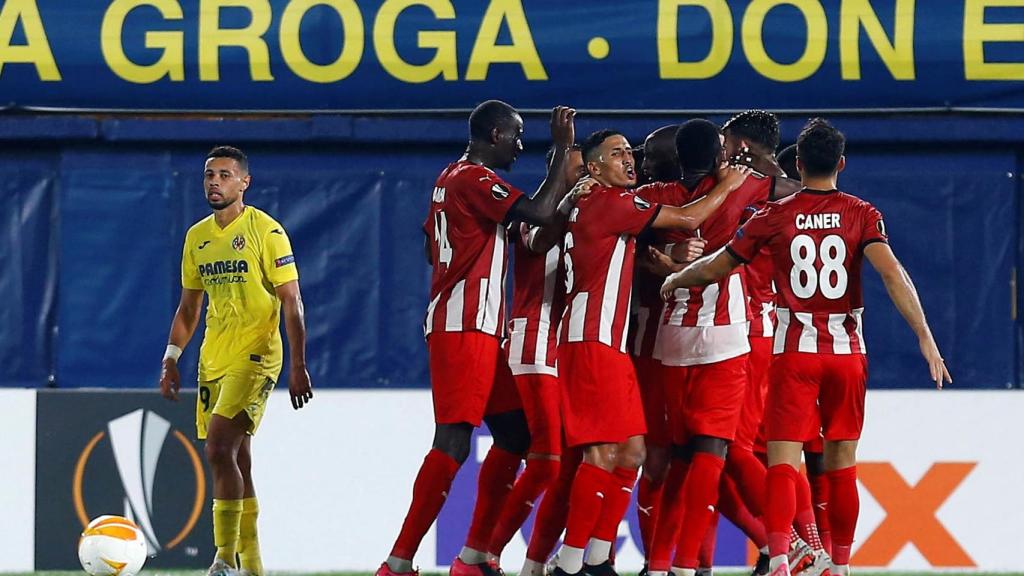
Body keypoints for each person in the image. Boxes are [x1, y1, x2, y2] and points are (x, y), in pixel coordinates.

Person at [660, 118, 951, 576]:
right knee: (841, 465)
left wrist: (677, 277)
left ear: (797, 161)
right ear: (841, 163)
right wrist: (925, 335)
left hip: (793, 352)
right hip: (846, 355)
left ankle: (779, 557)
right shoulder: (862, 212)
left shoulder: (774, 214)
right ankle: (839, 564)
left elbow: (720, 264)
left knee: (781, 460)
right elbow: (893, 274)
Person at [378, 101, 577, 576]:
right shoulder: (473, 178)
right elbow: (536, 212)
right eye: (516, 136)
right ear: (493, 134)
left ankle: (473, 556)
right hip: (463, 326)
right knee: (452, 440)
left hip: (480, 328)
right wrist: (562, 151)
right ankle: (397, 561)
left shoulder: (449, 179)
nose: (520, 145)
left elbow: (432, 245)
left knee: (515, 435)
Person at [551, 129, 751, 576]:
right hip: (590, 340)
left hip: (610, 342)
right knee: (600, 456)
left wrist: (667, 259)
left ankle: (599, 557)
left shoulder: (597, 204)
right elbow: (687, 215)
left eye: (629, 152)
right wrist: (729, 184)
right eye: (616, 154)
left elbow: (634, 249)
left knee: (634, 453)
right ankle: (568, 564)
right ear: (594, 168)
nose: (628, 159)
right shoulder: (608, 202)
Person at [159, 146, 313, 576]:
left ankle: (224, 557)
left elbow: (292, 300)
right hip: (215, 358)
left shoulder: (267, 232)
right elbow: (189, 309)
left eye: (225, 175)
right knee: (238, 458)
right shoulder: (197, 238)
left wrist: (298, 364)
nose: (214, 182)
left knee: (218, 447)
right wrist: (172, 358)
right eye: (209, 174)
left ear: (244, 182)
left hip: (257, 354)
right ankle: (254, 566)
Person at [486, 144, 586, 573]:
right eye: (578, 167)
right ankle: (485, 552)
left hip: (569, 348)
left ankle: (536, 562)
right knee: (547, 459)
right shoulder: (536, 211)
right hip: (532, 341)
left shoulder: (594, 214)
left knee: (569, 464)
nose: (587, 176)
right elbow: (541, 236)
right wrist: (567, 201)